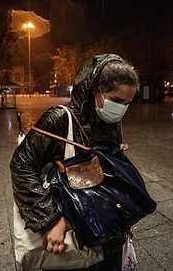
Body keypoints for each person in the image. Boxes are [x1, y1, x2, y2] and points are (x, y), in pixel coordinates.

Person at [10, 53, 140, 271]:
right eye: (117, 101)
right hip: (69, 239)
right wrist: (50, 221)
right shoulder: (59, 119)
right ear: (94, 90)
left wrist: (121, 218)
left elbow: (110, 175)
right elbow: (21, 165)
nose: (121, 109)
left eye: (127, 103)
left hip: (108, 237)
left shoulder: (110, 122)